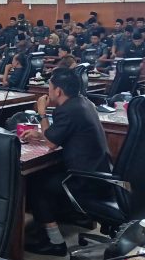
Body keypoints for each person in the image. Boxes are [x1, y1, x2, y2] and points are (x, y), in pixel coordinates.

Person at [20, 68, 111, 256]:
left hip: (85, 179)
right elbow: (62, 134)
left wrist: (42, 113)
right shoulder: (83, 103)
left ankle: (55, 242)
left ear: (58, 91)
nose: (48, 91)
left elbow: (51, 143)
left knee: (37, 185)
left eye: (50, 87)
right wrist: (41, 135)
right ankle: (58, 219)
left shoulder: (67, 110)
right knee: (46, 173)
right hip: (100, 172)